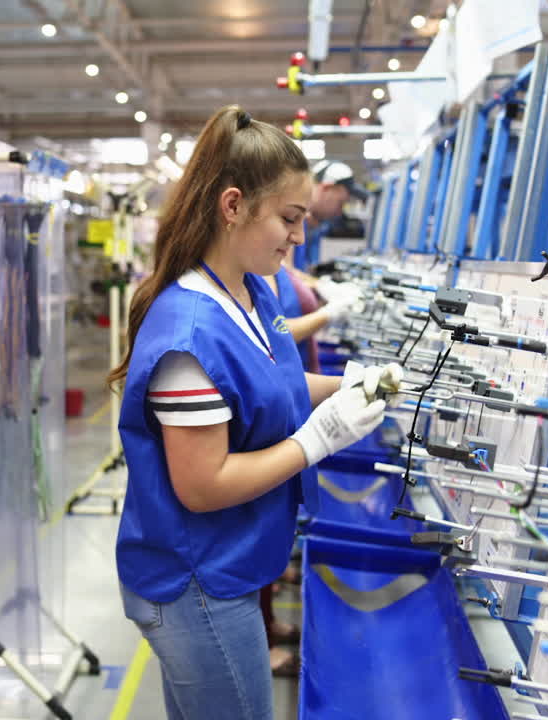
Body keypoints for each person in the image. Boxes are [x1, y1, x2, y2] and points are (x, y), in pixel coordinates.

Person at [108, 105, 400, 719]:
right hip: (195, 585)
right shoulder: (188, 336)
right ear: (233, 205)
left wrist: (350, 385)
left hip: (225, 567)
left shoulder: (249, 289)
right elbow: (202, 485)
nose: (299, 237)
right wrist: (316, 441)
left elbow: (272, 382)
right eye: (289, 220)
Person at [294, 160, 369, 271]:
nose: (339, 212)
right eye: (340, 203)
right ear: (326, 188)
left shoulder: (317, 227)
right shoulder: (292, 221)